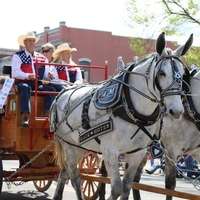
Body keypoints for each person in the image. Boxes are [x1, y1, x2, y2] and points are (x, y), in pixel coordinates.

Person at [11, 32, 55, 127]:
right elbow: (15, 73)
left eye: (33, 41)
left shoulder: (42, 57)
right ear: (25, 43)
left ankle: (47, 115)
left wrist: (48, 76)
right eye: (29, 41)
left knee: (50, 89)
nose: (31, 43)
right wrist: (28, 76)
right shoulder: (18, 56)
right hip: (22, 83)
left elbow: (46, 72)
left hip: (37, 84)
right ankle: (25, 117)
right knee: (25, 87)